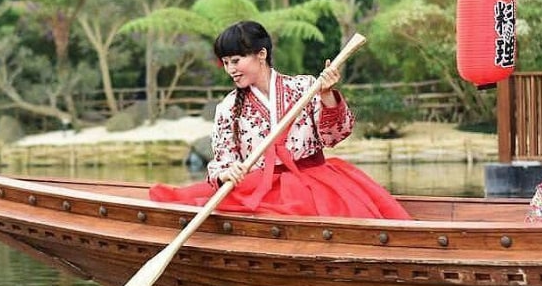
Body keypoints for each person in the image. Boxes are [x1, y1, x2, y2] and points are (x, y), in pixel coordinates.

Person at [149, 21, 411, 219]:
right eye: (226, 62)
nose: (230, 70)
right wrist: (227, 172)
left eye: (236, 60)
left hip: (315, 181)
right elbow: (221, 160)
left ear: (261, 54)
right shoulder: (228, 107)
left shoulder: (306, 87)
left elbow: (334, 137)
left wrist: (327, 94)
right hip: (261, 188)